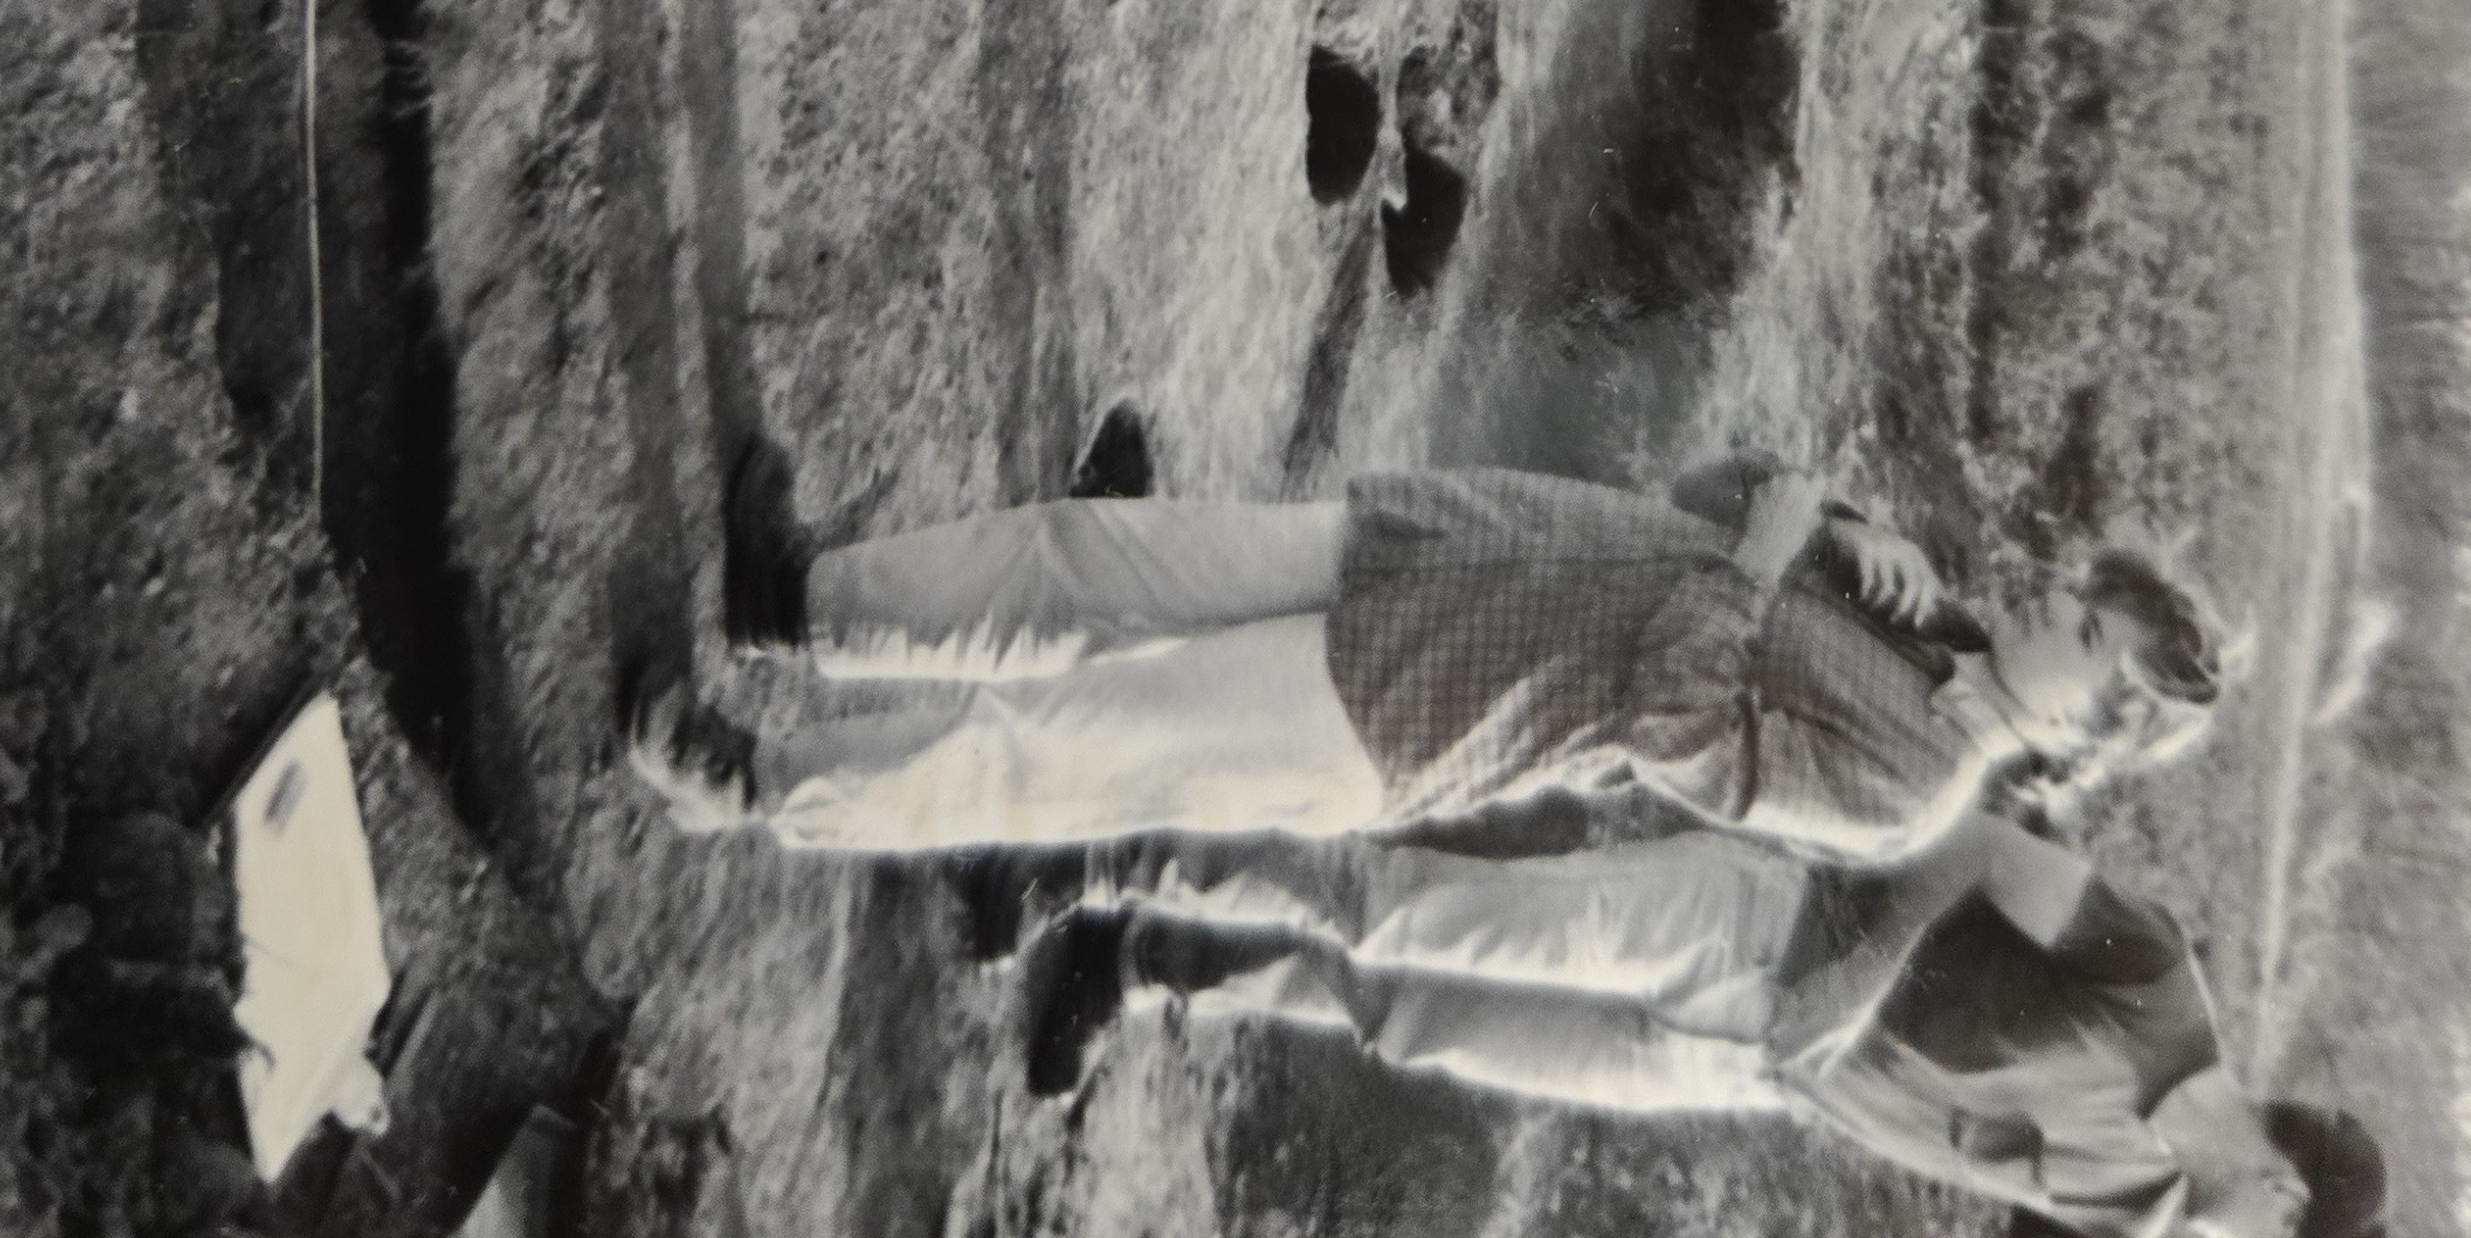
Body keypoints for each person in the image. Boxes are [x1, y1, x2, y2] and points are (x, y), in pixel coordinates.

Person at [1023, 814, 2385, 1238]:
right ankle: (1105, 850)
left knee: (1420, 1017)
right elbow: (1975, 843)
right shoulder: (2153, 981)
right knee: (1416, 906)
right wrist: (1854, 977)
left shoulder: (2124, 1211)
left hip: (1742, 1066)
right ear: (2280, 1181)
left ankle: (1147, 962)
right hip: (1760, 925)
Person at [624, 450, 2223, 865]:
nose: (2049, 606)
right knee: (1093, 558)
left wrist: (1757, 555)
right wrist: (1831, 517)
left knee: (1058, 745)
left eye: (2083, 634)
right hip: (1435, 549)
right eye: (2085, 597)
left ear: (2087, 727)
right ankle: (803, 604)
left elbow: (1672, 734)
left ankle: (757, 784)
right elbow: (1703, 495)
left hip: (1411, 711)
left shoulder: (1910, 791)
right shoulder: (1920, 608)